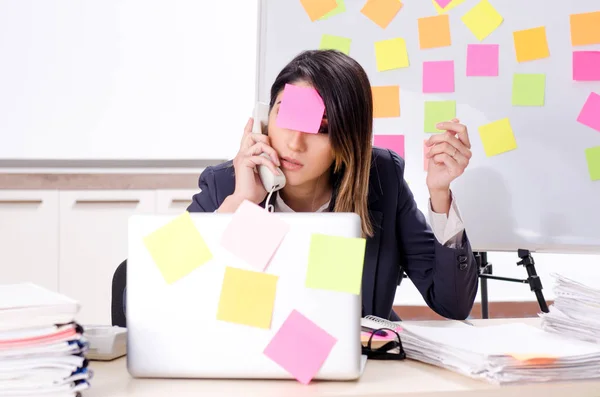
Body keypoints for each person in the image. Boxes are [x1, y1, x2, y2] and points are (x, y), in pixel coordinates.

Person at [186, 49, 478, 321]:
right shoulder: (225, 184)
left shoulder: (382, 178)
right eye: (286, 116)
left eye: (321, 128)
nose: (294, 143)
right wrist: (240, 203)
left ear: (348, 138)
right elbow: (172, 287)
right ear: (264, 118)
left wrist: (440, 193)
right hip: (252, 359)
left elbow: (451, 304)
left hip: (357, 364)